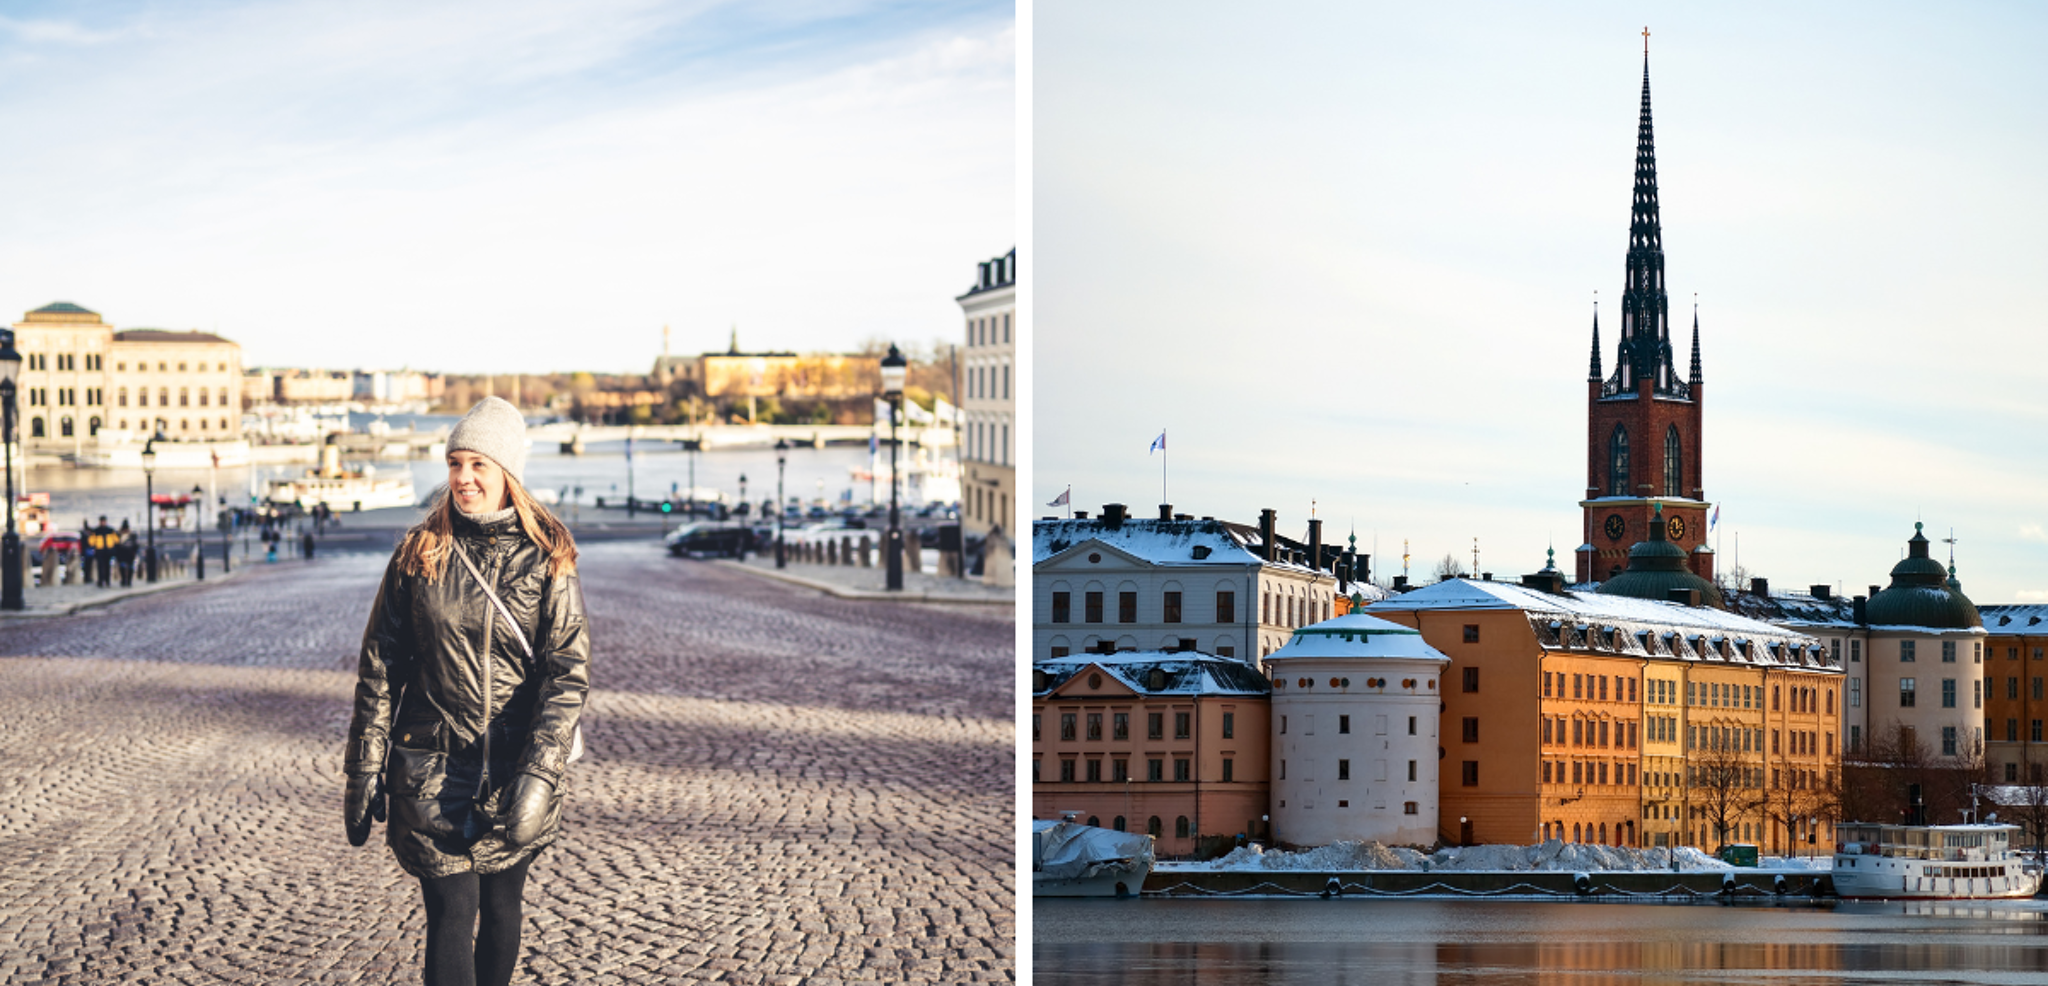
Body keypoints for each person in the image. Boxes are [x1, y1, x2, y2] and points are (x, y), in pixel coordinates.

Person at [343, 397, 589, 986]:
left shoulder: (547, 555)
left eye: (477, 464)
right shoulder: (419, 551)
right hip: (429, 764)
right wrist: (363, 766)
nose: (463, 478)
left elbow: (566, 672)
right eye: (456, 463)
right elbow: (380, 665)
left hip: (513, 765)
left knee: (503, 906)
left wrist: (541, 772)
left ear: (506, 472)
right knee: (452, 911)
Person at [90, 515, 116, 588]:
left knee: (107, 566)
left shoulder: (110, 530)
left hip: (108, 551)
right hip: (100, 551)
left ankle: (107, 580)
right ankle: (101, 580)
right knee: (100, 566)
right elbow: (91, 541)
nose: (103, 523)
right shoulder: (96, 531)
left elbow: (116, 540)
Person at [114, 522, 137, 587]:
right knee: (123, 567)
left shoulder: (131, 535)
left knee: (129, 568)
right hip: (123, 555)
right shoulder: (121, 535)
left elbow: (135, 545)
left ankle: (128, 581)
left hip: (129, 555)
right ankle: (125, 580)